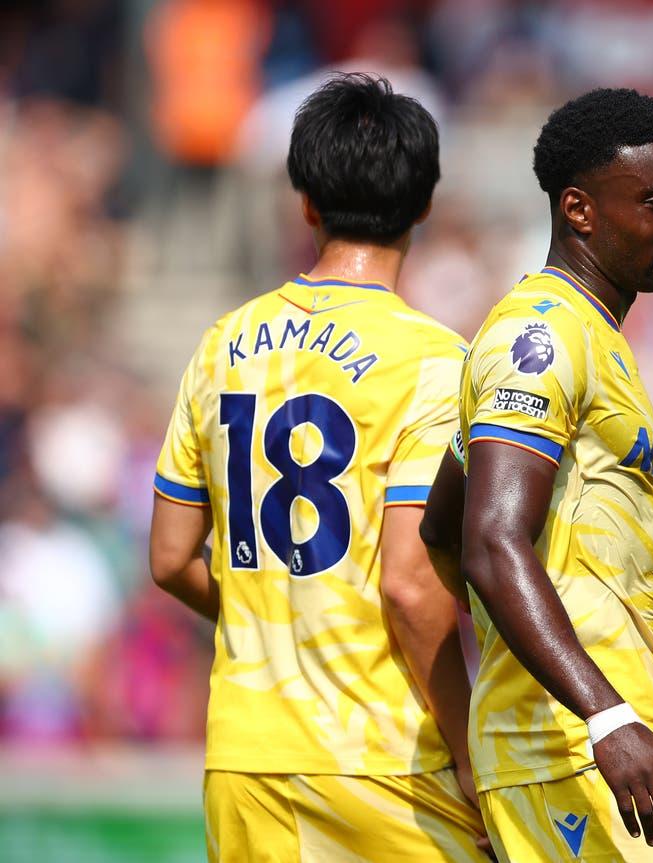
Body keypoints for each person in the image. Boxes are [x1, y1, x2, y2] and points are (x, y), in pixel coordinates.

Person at [147, 73, 491, 861]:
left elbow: (170, 558)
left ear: (304, 201)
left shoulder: (222, 344)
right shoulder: (437, 362)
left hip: (246, 755)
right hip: (381, 758)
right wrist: (469, 751)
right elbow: (409, 586)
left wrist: (278, 619)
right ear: (426, 205)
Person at [420, 88, 653, 863]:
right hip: (581, 752)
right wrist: (605, 715)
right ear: (579, 210)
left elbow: (443, 522)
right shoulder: (538, 334)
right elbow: (487, 540)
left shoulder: (589, 333)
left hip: (601, 744)